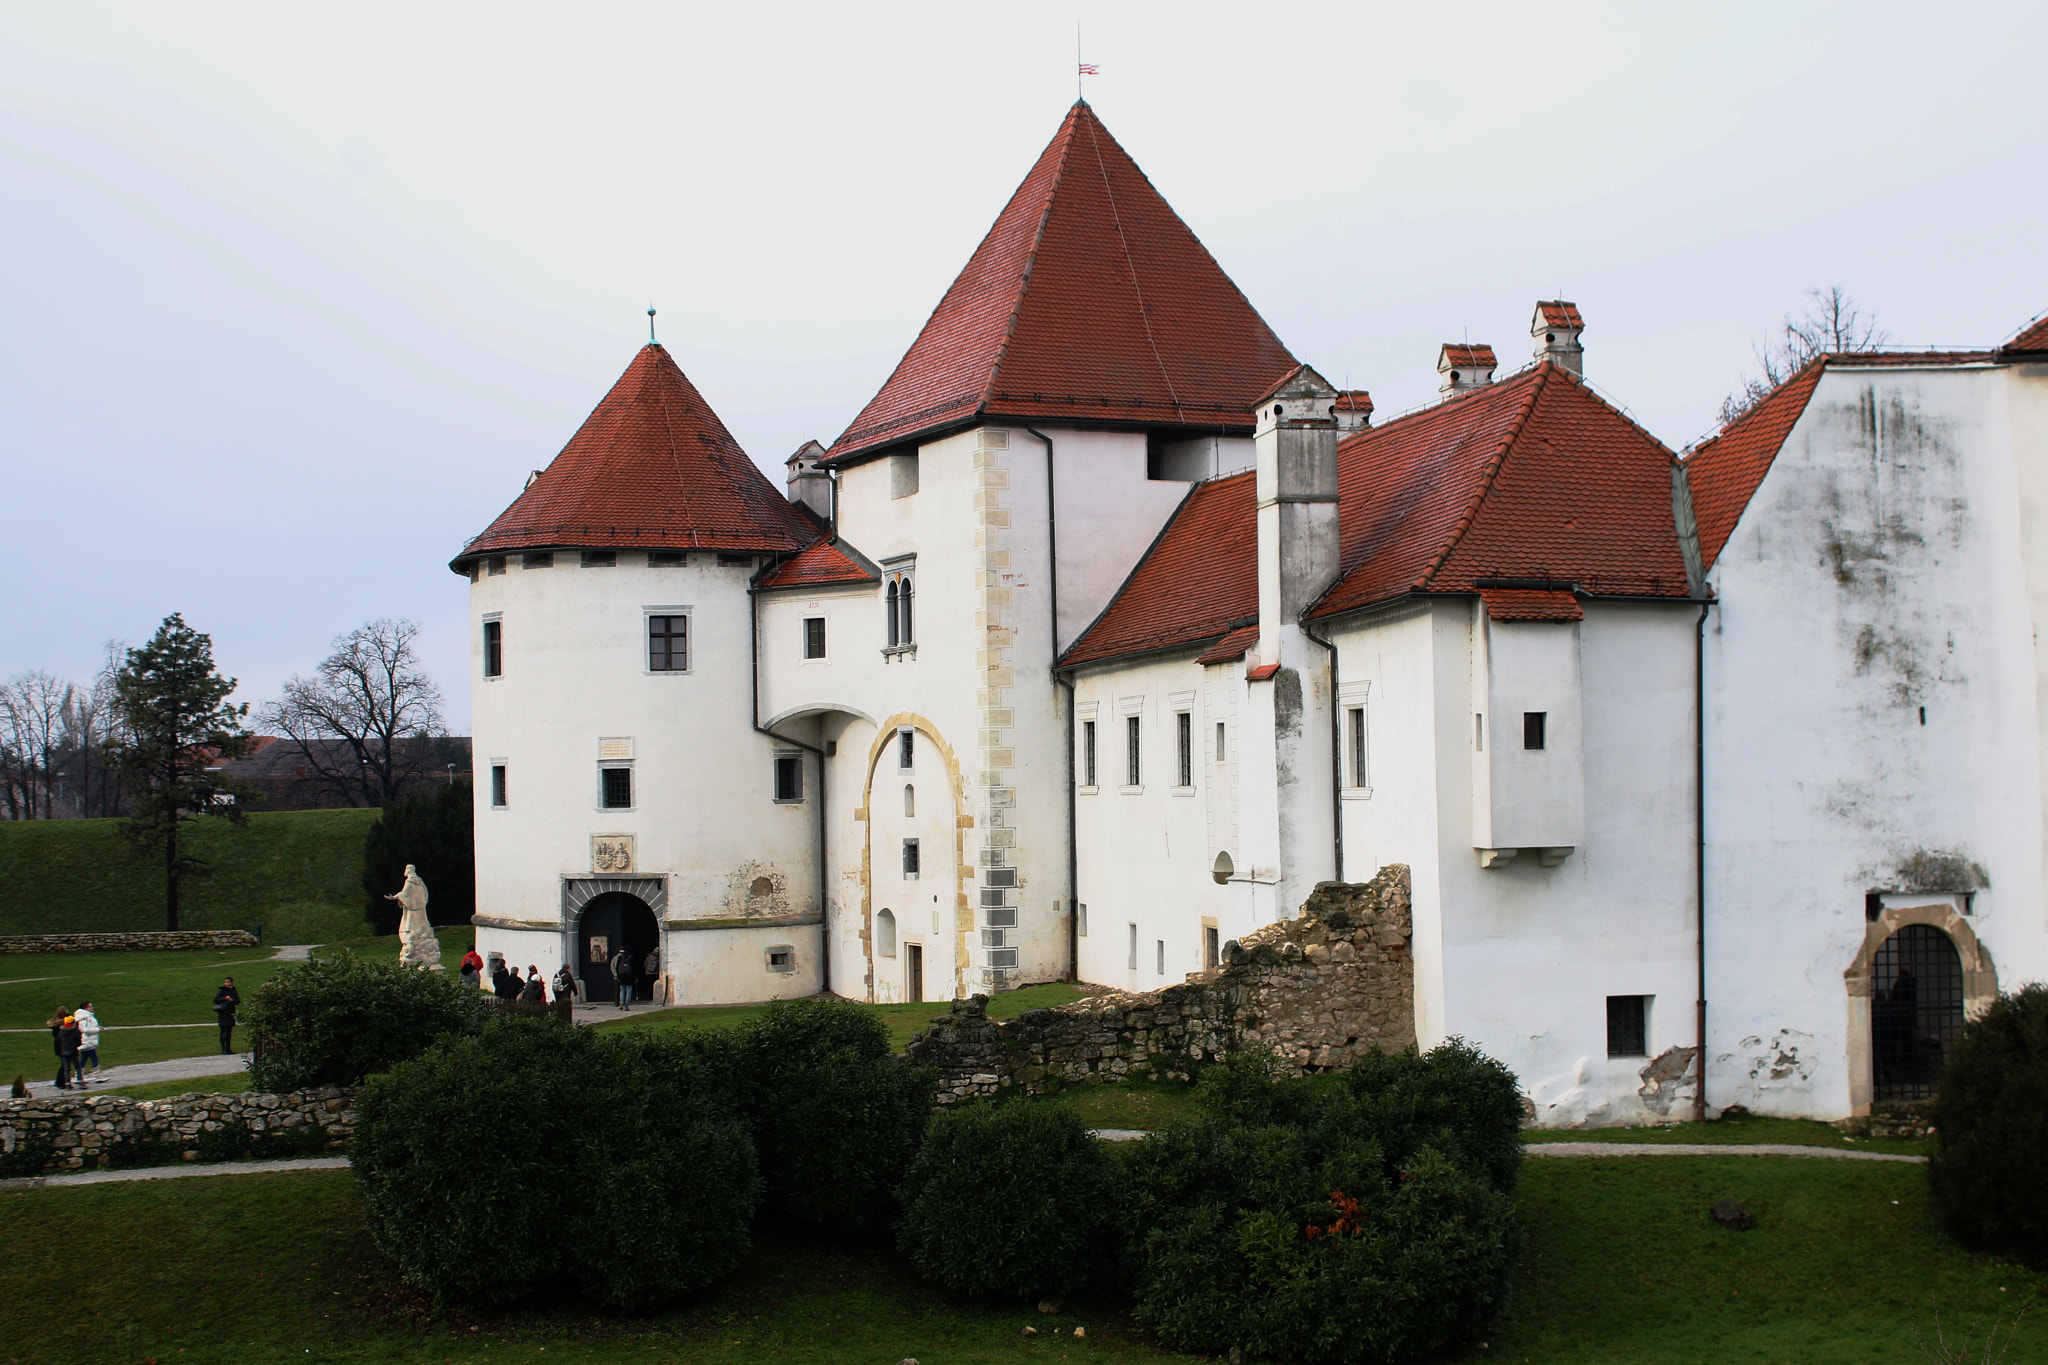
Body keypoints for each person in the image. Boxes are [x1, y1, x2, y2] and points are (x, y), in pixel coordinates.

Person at [73, 1002, 101, 1084]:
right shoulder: (85, 1017)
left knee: (84, 1058)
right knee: (94, 1057)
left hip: (87, 1041)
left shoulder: (85, 1016)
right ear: (85, 1007)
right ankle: (97, 1075)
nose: (92, 1008)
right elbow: (84, 1030)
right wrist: (98, 1030)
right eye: (90, 1006)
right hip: (87, 1041)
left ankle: (79, 1076)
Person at [212, 977, 240, 1055]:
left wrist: (232, 1000)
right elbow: (216, 1000)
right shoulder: (222, 990)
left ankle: (228, 1048)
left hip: (230, 1012)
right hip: (223, 1013)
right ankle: (223, 1049)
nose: (227, 984)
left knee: (229, 1031)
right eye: (226, 982)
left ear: (231, 983)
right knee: (223, 1031)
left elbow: (237, 1001)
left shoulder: (233, 991)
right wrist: (225, 998)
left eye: (228, 982)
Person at [54, 1013, 82, 1089]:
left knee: (67, 1068)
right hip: (73, 1052)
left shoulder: (61, 1031)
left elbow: (58, 1042)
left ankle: (67, 1083)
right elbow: (79, 1042)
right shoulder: (75, 1031)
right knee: (77, 1067)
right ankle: (80, 1082)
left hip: (64, 1052)